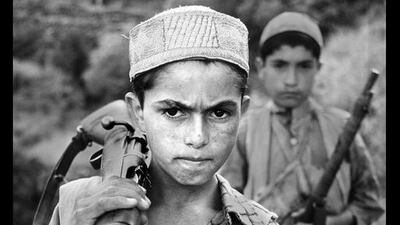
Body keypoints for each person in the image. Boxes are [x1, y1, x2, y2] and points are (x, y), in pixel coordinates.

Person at [48, 5, 279, 225]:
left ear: (242, 112)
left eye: (219, 113)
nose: (197, 138)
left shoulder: (258, 221)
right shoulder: (78, 205)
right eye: (173, 111)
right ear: (138, 111)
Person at [219, 12, 384, 225]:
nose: (291, 80)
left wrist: (331, 222)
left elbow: (368, 204)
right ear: (261, 67)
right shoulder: (245, 130)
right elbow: (226, 204)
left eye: (304, 66)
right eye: (280, 65)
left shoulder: (342, 126)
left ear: (318, 68)